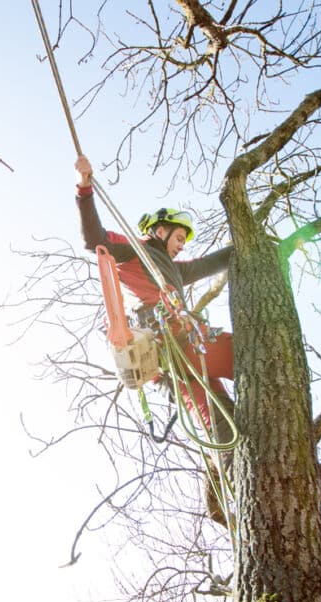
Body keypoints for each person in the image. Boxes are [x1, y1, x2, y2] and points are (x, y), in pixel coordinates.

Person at [75, 155, 236, 526]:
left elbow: (220, 259)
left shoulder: (178, 270)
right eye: (179, 237)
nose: (182, 246)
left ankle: (243, 477)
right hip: (173, 347)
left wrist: (255, 244)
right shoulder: (136, 250)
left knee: (224, 423)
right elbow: (93, 239)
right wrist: (84, 188)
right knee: (248, 354)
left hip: (176, 364)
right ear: (160, 231)